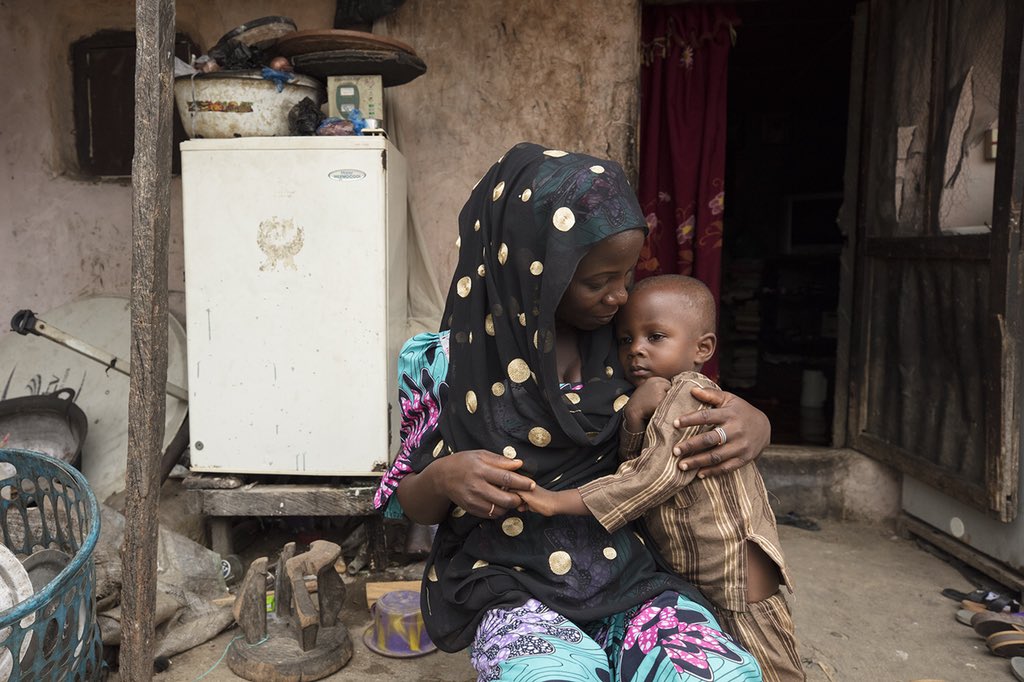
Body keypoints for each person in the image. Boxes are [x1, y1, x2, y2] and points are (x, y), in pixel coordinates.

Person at [373, 142, 771, 681]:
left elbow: (698, 401)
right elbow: (407, 501)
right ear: (530, 269)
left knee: (716, 674)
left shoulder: (629, 343)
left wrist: (754, 422)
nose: (617, 296)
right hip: (507, 583)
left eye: (626, 276)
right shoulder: (442, 362)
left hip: (628, 577)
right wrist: (444, 477)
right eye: (596, 282)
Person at [517, 274, 803, 681]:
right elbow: (644, 458)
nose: (636, 350)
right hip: (702, 573)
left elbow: (651, 479)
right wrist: (633, 417)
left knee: (774, 671)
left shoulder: (691, 396)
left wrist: (557, 500)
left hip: (739, 580)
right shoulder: (657, 398)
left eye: (655, 337)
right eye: (625, 339)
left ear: (702, 348)